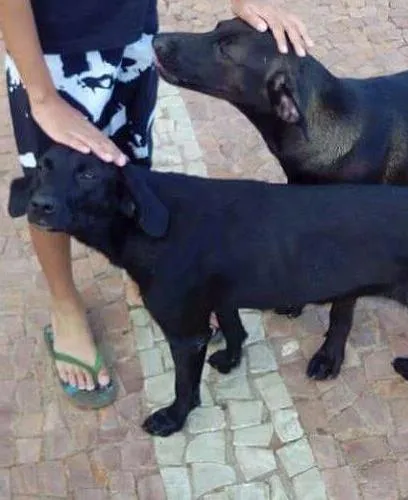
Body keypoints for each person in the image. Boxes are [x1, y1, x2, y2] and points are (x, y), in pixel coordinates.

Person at [0, 0, 313, 409]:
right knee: (50, 185)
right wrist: (41, 97)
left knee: (128, 162)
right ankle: (65, 304)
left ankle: (137, 273)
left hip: (133, 30)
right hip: (54, 49)